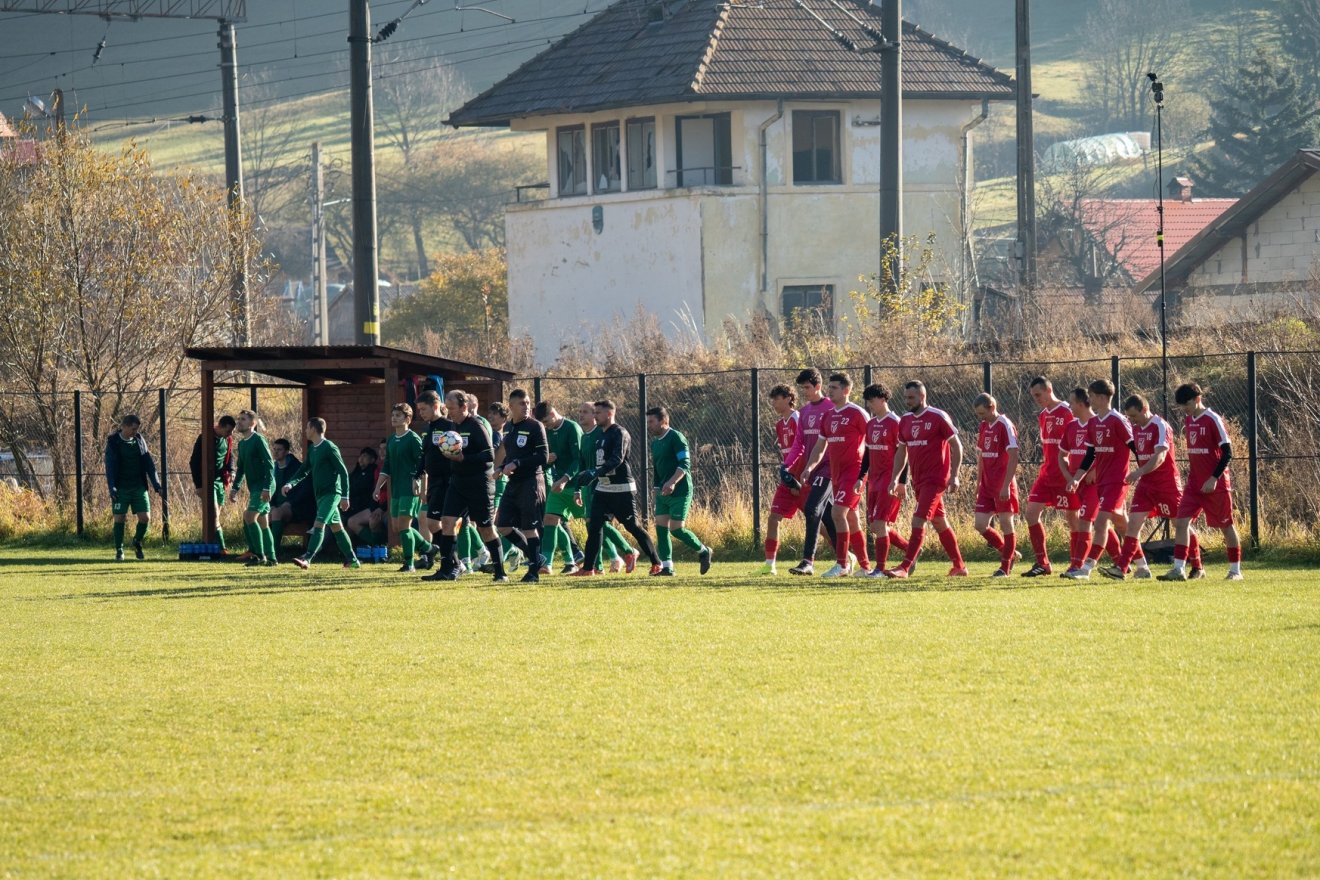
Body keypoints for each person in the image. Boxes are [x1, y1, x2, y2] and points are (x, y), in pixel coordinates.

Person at [884, 381, 967, 578]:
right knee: (939, 522)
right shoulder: (905, 420)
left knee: (918, 519)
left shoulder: (937, 416)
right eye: (905, 398)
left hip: (936, 479)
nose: (907, 401)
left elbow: (957, 445)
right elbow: (901, 451)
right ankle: (960, 566)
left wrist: (954, 475)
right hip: (918, 480)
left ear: (922, 396)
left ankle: (905, 567)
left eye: (911, 398)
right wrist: (895, 478)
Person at [428, 388, 510, 583]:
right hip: (457, 483)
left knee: (485, 528)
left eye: (452, 408)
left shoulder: (476, 426)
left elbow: (489, 456)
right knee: (447, 523)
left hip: (479, 484)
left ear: (464, 406)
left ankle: (500, 572)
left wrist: (464, 457)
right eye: (446, 408)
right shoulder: (451, 428)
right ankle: (447, 569)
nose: (449, 412)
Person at [572, 400, 661, 576]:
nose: (595, 416)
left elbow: (617, 459)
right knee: (594, 526)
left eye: (598, 413)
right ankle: (588, 568)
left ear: (609, 414)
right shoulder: (598, 435)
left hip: (622, 489)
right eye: (594, 412)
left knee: (632, 526)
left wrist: (595, 472)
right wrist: (582, 481)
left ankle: (656, 562)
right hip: (603, 488)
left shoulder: (620, 433)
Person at [1099, 395, 1182, 580]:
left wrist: (1138, 472)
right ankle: (1125, 568)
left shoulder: (1160, 425)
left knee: (1180, 525)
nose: (1132, 420)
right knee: (1133, 525)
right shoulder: (1135, 428)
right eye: (1128, 417)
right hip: (1146, 485)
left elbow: (1160, 457)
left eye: (1134, 416)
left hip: (1166, 483)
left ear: (1144, 409)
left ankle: (1197, 566)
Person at [1166, 382, 1243, 581]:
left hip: (1214, 484)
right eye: (1182, 406)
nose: (1184, 409)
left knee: (1226, 526)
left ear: (1197, 399)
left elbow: (1227, 453)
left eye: (1187, 404)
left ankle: (1235, 571)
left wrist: (1213, 478)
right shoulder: (1189, 420)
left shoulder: (1212, 419)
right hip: (1194, 484)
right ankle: (1178, 569)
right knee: (1181, 522)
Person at [796, 372, 870, 577]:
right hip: (836, 473)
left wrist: (866, 472)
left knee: (837, 513)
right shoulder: (828, 416)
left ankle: (842, 564)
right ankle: (865, 567)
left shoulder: (857, 413)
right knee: (852, 519)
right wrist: (809, 467)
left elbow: (872, 441)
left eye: (834, 388)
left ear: (847, 390)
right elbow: (820, 446)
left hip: (854, 472)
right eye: (829, 387)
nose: (830, 391)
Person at [1064, 379, 1134, 579]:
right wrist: (1077, 478)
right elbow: (1089, 456)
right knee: (1122, 524)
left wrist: (1142, 471)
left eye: (1092, 396)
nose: (1090, 399)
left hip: (1118, 480)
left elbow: (1134, 446)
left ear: (1102, 398)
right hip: (1102, 482)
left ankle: (1086, 569)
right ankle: (1140, 565)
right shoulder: (1094, 423)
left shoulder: (1118, 420)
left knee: (1101, 521)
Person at [561, 401, 637, 574]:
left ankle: (618, 555)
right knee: (594, 525)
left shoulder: (602, 433)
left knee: (596, 523)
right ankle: (609, 560)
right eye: (580, 411)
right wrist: (578, 488)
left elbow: (612, 460)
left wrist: (597, 475)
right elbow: (581, 463)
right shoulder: (585, 435)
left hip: (602, 484)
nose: (583, 415)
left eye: (587, 412)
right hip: (589, 485)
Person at [1056, 387, 1117, 578]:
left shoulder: (1098, 424)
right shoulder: (1071, 427)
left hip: (1095, 485)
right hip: (1077, 483)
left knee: (1085, 523)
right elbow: (1061, 456)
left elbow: (1109, 452)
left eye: (1071, 402)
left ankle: (1078, 566)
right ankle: (1121, 560)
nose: (1069, 406)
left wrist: (1095, 470)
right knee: (1102, 525)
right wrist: (1070, 477)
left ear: (1081, 404)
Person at [784, 368, 839, 576]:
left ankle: (808, 561)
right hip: (812, 469)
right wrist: (787, 465)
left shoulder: (832, 407)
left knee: (811, 508)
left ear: (818, 386)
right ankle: (846, 556)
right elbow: (799, 444)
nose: (804, 391)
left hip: (829, 467)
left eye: (807, 387)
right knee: (828, 515)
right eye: (802, 388)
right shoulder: (805, 412)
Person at [283, 418, 358, 570]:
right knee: (337, 528)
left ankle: (307, 558)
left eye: (307, 428)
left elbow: (343, 472)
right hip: (321, 495)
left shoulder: (329, 447)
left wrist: (345, 496)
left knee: (319, 524)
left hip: (332, 494)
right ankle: (352, 560)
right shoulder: (313, 449)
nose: (305, 431)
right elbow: (304, 470)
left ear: (313, 429)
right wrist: (291, 483)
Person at [646, 406, 713, 575]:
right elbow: (656, 469)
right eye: (647, 422)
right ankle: (667, 567)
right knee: (661, 529)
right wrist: (656, 490)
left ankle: (704, 551)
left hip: (680, 491)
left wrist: (672, 482)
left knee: (676, 529)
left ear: (663, 421)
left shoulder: (676, 438)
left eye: (652, 422)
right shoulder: (655, 443)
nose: (649, 425)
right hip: (663, 492)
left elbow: (684, 465)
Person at [1021, 377, 1076, 577]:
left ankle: (1078, 564)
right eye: (1033, 396)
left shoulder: (1068, 411)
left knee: (1076, 519)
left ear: (1049, 389)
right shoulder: (1043, 414)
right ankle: (1042, 563)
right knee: (1031, 514)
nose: (1036, 399)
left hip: (1065, 475)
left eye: (1038, 394)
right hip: (1046, 474)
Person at [494, 388, 550, 583]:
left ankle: (533, 572)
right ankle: (536, 557)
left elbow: (542, 457)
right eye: (522, 403)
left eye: (527, 403)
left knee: (529, 528)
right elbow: (511, 455)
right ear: (511, 406)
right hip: (513, 483)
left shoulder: (536, 427)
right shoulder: (508, 428)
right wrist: (501, 467)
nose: (526, 406)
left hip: (531, 482)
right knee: (503, 526)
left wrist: (516, 464)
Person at [860, 383, 909, 576]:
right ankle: (911, 549)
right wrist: (860, 477)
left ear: (882, 399)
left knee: (880, 525)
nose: (870, 405)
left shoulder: (896, 423)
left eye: (872, 401)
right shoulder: (871, 424)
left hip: (891, 481)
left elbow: (904, 454)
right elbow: (867, 454)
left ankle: (879, 568)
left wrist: (901, 482)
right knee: (875, 526)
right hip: (874, 481)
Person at [376, 403, 430, 573]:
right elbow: (387, 466)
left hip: (410, 489)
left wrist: (421, 487)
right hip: (396, 490)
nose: (394, 418)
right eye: (393, 415)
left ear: (408, 419)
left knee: (404, 526)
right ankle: (428, 548)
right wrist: (378, 487)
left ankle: (409, 563)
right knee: (396, 527)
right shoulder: (391, 439)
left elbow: (423, 464)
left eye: (398, 415)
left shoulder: (413, 439)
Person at [972, 393, 1022, 577]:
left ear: (992, 407)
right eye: (978, 414)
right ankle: (1008, 553)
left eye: (982, 413)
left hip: (1002, 484)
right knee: (980, 524)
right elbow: (982, 457)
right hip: (987, 485)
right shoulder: (984, 426)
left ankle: (1005, 567)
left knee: (1007, 524)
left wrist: (1006, 485)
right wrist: (978, 484)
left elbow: (1014, 455)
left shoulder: (1005, 425)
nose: (981, 417)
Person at [104, 414, 163, 562]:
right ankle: (119, 550)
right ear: (124, 426)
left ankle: (137, 541)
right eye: (133, 429)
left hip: (138, 487)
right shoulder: (113, 442)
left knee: (145, 518)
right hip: (121, 488)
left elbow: (149, 464)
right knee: (119, 518)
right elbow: (110, 467)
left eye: (136, 429)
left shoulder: (139, 440)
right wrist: (112, 487)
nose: (135, 432)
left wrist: (157, 485)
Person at [536, 400, 586, 574]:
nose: (545, 427)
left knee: (594, 523)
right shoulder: (549, 431)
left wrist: (565, 479)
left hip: (576, 485)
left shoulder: (572, 428)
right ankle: (547, 564)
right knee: (549, 519)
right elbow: (551, 459)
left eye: (546, 422)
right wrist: (546, 461)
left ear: (552, 414)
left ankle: (620, 553)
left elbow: (578, 460)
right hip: (558, 486)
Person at [759, 384, 802, 575]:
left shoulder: (797, 419)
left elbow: (803, 450)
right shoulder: (779, 425)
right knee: (774, 517)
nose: (774, 403)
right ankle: (770, 565)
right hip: (787, 479)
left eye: (777, 399)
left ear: (788, 398)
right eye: (773, 399)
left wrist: (797, 480)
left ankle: (845, 555)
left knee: (816, 521)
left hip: (801, 479)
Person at [227, 409, 278, 567]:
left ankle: (258, 555)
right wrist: (235, 488)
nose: (239, 422)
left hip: (264, 485)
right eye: (239, 419)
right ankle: (272, 558)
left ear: (252, 423)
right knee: (262, 522)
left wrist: (267, 487)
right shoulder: (242, 444)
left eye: (243, 419)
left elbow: (270, 464)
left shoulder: (258, 440)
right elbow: (241, 468)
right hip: (255, 487)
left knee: (249, 516)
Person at [411, 390, 452, 569]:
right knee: (432, 523)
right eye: (419, 409)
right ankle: (446, 557)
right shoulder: (428, 429)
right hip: (434, 481)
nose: (421, 413)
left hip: (449, 481)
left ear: (436, 406)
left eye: (423, 409)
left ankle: (453, 559)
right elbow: (425, 456)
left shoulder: (449, 426)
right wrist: (417, 476)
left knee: (444, 522)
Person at [190, 414, 235, 555]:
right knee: (214, 514)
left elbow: (230, 456)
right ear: (220, 426)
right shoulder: (204, 438)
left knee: (216, 516)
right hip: (206, 482)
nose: (230, 434)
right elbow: (194, 462)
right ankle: (221, 548)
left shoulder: (227, 439)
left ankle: (213, 547)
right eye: (228, 430)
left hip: (220, 482)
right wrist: (199, 485)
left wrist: (231, 471)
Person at [344, 447, 386, 554]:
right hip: (353, 508)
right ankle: (348, 553)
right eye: (360, 456)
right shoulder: (356, 472)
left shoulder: (373, 470)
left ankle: (378, 547)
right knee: (343, 525)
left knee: (353, 522)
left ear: (372, 460)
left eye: (365, 456)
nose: (361, 458)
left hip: (369, 507)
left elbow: (362, 488)